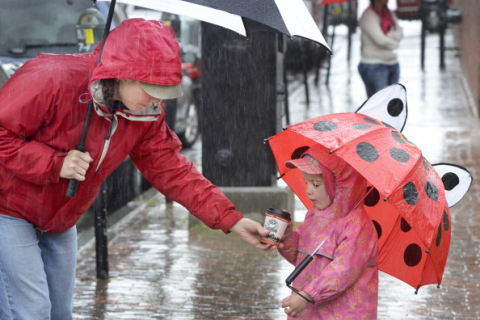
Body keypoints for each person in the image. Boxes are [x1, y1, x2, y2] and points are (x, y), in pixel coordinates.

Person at [0, 18, 271, 320]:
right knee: (32, 312)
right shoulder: (51, 78)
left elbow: (173, 170)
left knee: (59, 314)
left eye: (163, 91)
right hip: (9, 210)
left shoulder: (143, 114)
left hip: (61, 218)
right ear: (123, 75)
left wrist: (232, 220)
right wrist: (55, 163)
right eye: (150, 88)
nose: (156, 99)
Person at [277, 145, 378, 319]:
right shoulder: (314, 216)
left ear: (339, 186)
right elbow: (300, 258)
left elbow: (344, 270)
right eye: (306, 182)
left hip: (344, 313)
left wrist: (306, 295)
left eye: (316, 184)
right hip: (309, 311)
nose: (309, 190)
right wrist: (287, 238)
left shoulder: (358, 225)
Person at [358, 0, 403, 98]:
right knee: (379, 105)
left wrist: (389, 37)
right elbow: (380, 40)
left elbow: (400, 32)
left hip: (392, 63)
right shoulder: (368, 15)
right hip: (374, 65)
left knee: (391, 104)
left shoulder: (389, 13)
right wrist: (394, 40)